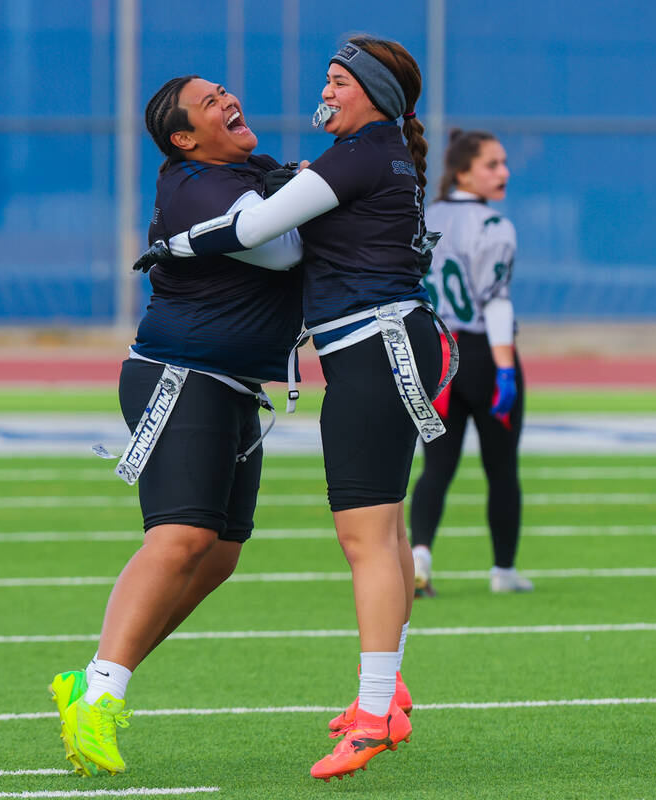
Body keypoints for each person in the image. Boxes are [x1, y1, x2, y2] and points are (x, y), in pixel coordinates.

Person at [133, 36, 446, 782]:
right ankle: (388, 691)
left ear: (371, 93)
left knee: (366, 538)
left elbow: (251, 230)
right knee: (388, 533)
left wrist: (172, 246)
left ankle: (373, 716)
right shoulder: (378, 151)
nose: (326, 92)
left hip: (378, 343)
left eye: (338, 81)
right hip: (390, 340)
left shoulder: (362, 151)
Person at [49, 76, 304, 777]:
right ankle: (100, 695)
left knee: (218, 555)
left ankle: (95, 677)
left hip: (230, 383)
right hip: (177, 374)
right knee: (181, 536)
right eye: (210, 100)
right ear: (185, 137)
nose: (229, 99)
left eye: (227, 89)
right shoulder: (196, 185)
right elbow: (281, 249)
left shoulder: (248, 170)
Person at [410, 129, 532, 595]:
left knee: (436, 466)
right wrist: (504, 369)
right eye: (492, 165)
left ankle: (420, 557)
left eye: (503, 163)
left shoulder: (422, 217)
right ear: (463, 171)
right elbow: (496, 302)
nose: (503, 172)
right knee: (501, 468)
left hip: (435, 354)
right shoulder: (493, 226)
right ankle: (502, 571)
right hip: (482, 352)